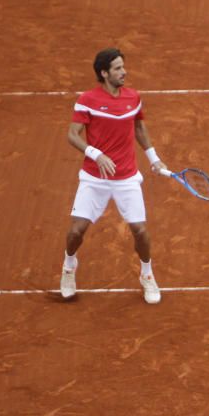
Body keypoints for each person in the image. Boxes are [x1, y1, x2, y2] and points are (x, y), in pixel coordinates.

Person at [60, 48, 168, 303]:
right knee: (77, 231)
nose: (124, 72)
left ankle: (147, 275)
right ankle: (68, 266)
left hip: (127, 177)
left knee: (140, 231)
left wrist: (153, 158)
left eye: (123, 67)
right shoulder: (87, 100)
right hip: (94, 177)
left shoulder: (133, 97)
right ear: (104, 73)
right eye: (118, 68)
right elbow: (72, 135)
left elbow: (139, 127)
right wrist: (95, 154)